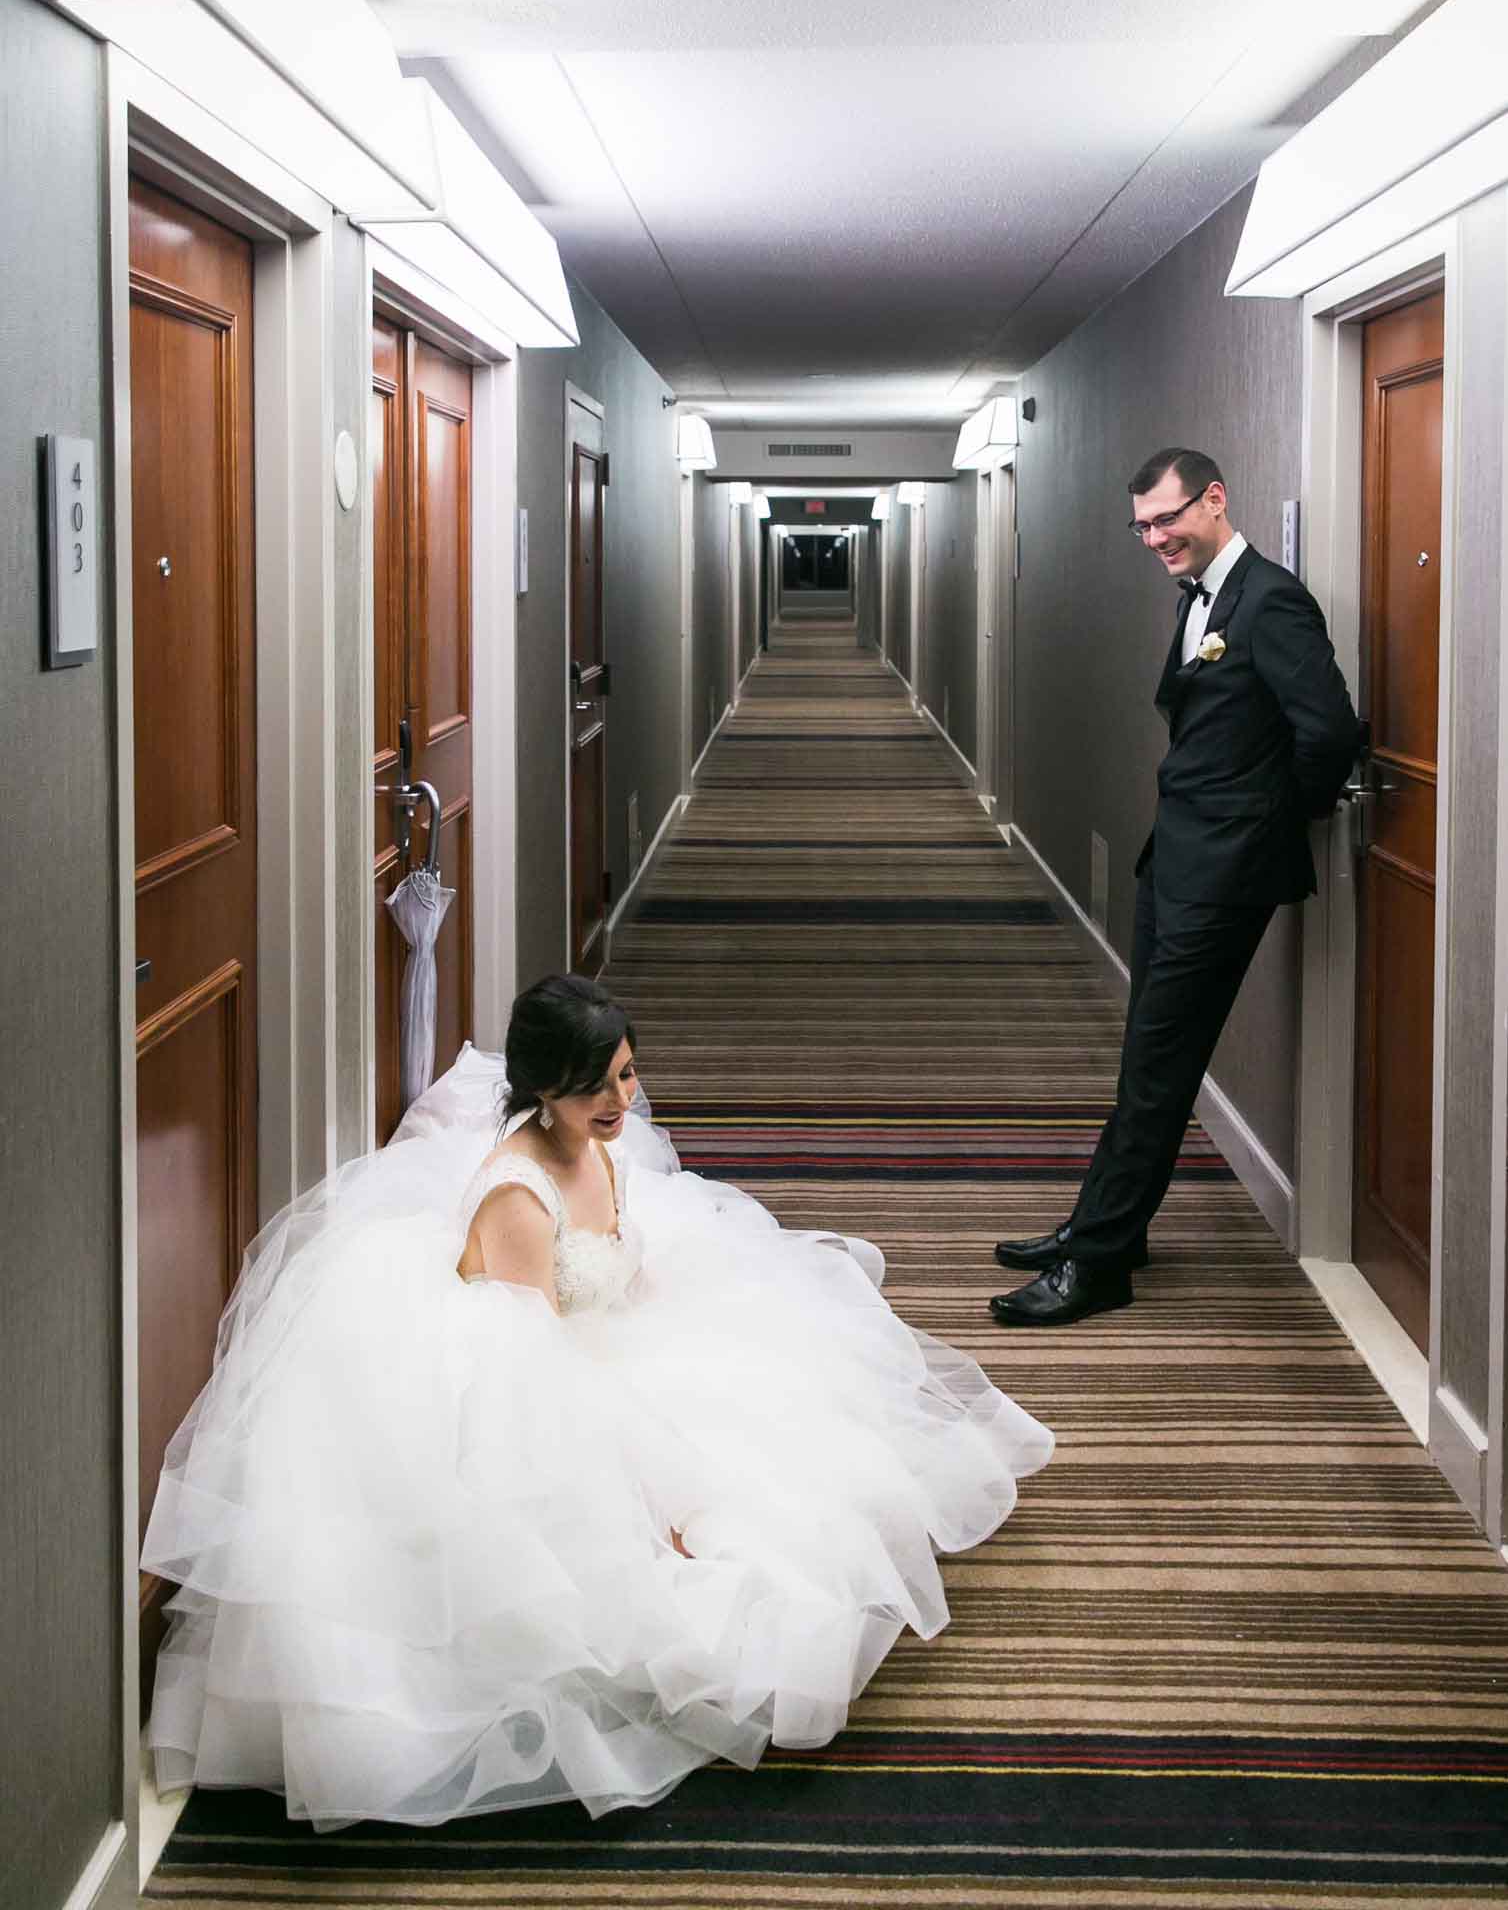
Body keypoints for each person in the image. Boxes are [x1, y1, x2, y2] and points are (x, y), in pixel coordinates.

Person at [143, 974, 1052, 1829]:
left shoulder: (601, 1150)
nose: (621, 1101)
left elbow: (626, 1277)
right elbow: (533, 1376)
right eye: (596, 1088)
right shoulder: (517, 1199)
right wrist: (652, 1494)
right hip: (518, 1398)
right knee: (688, 1570)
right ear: (545, 1090)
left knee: (792, 1456)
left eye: (625, 1073)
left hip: (599, 1344)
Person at [991, 447, 1362, 1329]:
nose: (1156, 538)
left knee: (1157, 1067)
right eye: (1143, 525)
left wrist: (1266, 827)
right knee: (1148, 1059)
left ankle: (1101, 1263)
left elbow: (1331, 732)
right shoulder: (1203, 595)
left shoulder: (1272, 601)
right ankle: (1105, 1225)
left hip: (1223, 873)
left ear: (1216, 499)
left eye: (1168, 518)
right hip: (1178, 859)